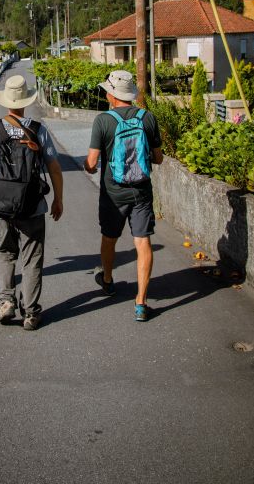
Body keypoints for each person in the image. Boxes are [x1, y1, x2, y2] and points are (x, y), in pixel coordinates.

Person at [0, 75, 63, 331]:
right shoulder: (38, 129)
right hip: (32, 207)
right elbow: (54, 169)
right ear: (25, 101)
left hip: (1, 207)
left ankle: (6, 302)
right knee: (32, 259)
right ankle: (31, 313)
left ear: (6, 102)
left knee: (4, 253)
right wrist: (58, 199)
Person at [83, 70, 163, 322]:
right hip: (141, 192)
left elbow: (92, 161)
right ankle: (141, 302)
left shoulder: (103, 121)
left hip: (113, 193)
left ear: (112, 95)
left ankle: (107, 280)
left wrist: (88, 166)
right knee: (143, 242)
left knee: (109, 238)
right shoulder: (147, 117)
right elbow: (159, 158)